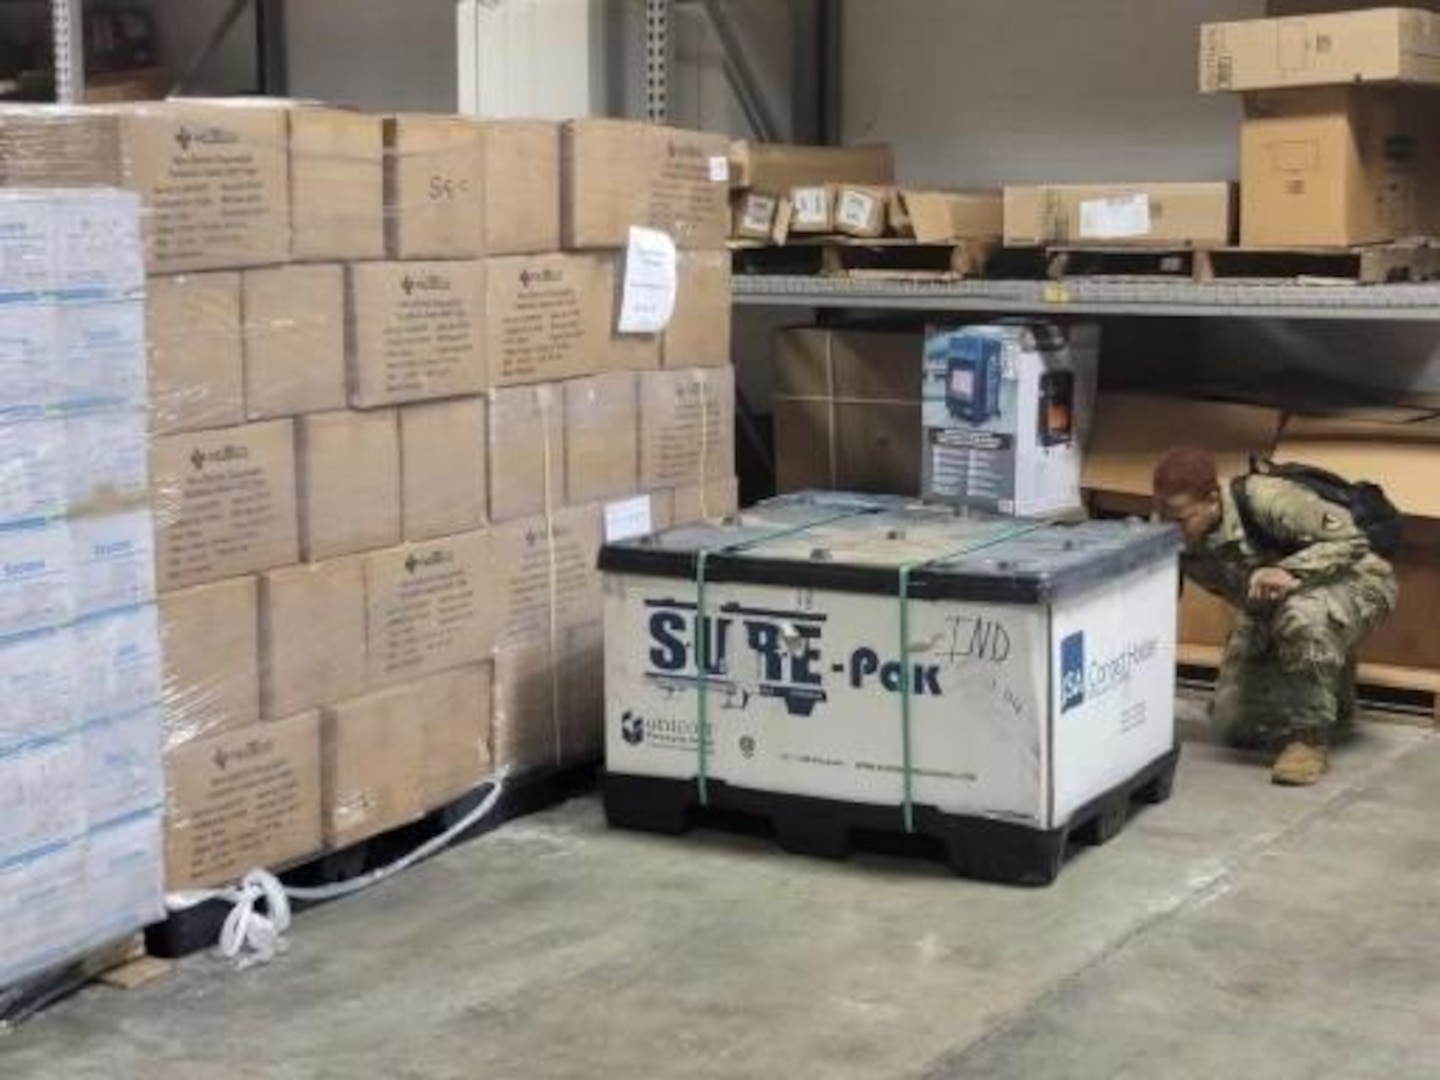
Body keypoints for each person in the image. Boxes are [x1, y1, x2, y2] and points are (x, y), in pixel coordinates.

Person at [1153, 447, 1397, 786]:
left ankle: (1310, 741)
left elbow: (1351, 540)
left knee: (1303, 617)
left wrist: (1287, 570)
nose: (1169, 528)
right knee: (1236, 726)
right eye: (1162, 514)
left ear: (1212, 499)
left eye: (1180, 519)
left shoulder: (1268, 500)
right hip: (1269, 605)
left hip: (1354, 581)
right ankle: (1335, 690)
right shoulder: (1170, 524)